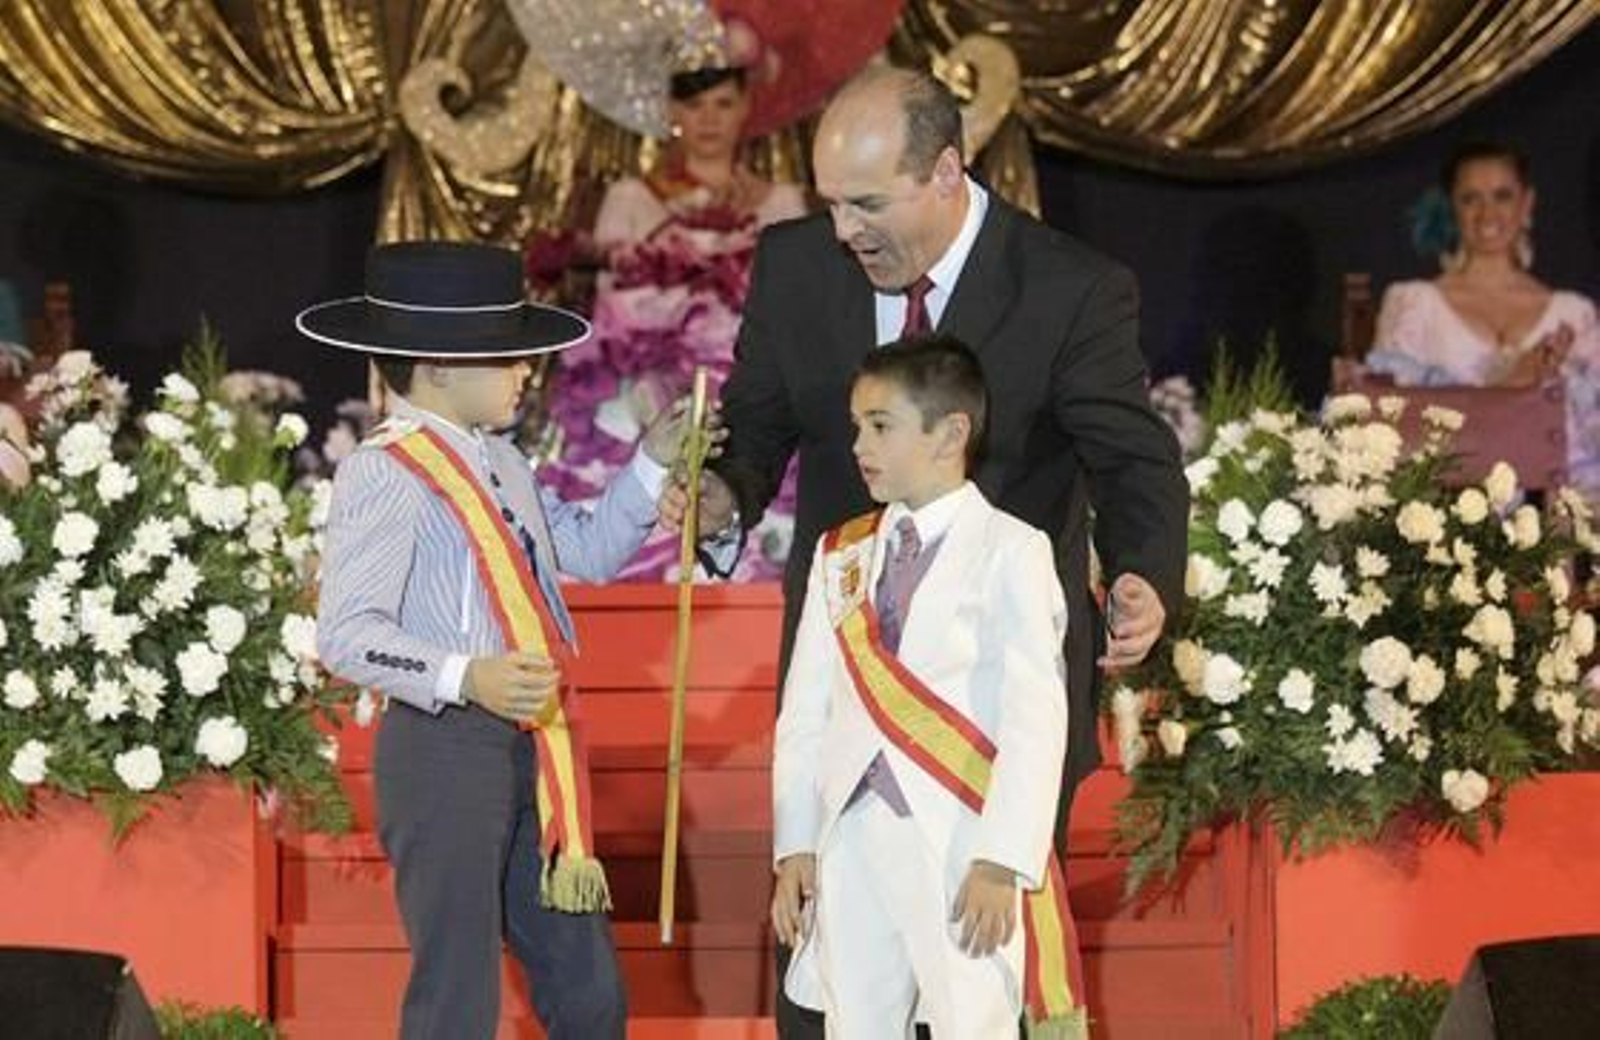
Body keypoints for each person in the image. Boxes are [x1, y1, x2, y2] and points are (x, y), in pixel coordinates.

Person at [661, 65, 1188, 1037]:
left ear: (946, 172)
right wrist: (721, 494)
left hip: (984, 711)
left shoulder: (1070, 287)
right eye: (829, 202)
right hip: (849, 687)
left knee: (978, 986)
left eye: (867, 204)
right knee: (828, 983)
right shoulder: (795, 267)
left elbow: (1132, 460)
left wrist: (1142, 573)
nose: (842, 230)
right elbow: (756, 423)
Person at [304, 241, 696, 1040]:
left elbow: (586, 550)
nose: (526, 371)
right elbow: (345, 633)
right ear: (439, 367)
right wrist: (464, 675)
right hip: (442, 744)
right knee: (457, 993)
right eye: (507, 356)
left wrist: (651, 464)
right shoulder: (384, 470)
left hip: (533, 744)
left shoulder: (505, 463)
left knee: (588, 991)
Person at [770, 336, 1084, 1039]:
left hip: (960, 834)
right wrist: (796, 843)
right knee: (854, 1023)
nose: (860, 445)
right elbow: (806, 710)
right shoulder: (840, 553)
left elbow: (1035, 718)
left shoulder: (1012, 549)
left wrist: (1003, 858)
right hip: (850, 830)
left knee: (970, 1020)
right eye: (857, 426)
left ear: (950, 434)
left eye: (881, 426)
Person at [539, 63, 807, 581]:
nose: (709, 119)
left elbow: (793, 309)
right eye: (694, 105)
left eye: (723, 103)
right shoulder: (630, 197)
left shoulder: (782, 202)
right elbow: (612, 309)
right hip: (651, 381)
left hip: (750, 378)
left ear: (746, 108)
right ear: (671, 111)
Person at [1368, 140, 1600, 499]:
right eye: (1470, 199)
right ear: (1451, 207)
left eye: (1502, 196)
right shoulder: (1414, 303)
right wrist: (1507, 385)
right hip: (1444, 506)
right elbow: (1390, 420)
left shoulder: (1573, 314)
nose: (1487, 213)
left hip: (1563, 506)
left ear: (1527, 203)